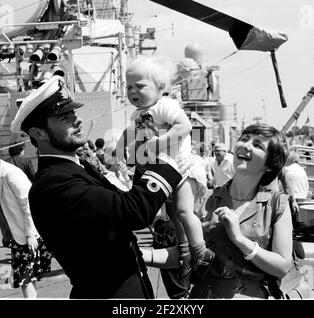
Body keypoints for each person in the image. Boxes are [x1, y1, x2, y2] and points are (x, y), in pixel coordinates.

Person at [10, 75, 187, 299]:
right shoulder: (54, 184)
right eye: (65, 117)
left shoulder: (76, 168)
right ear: (38, 133)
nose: (77, 120)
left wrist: (155, 256)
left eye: (74, 113)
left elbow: (105, 233)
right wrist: (169, 159)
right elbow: (133, 211)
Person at [142, 123, 294, 299]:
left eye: (258, 145)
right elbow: (185, 254)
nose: (245, 145)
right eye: (244, 139)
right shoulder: (206, 199)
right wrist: (141, 255)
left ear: (269, 165)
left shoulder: (277, 204)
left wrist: (239, 239)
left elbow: (282, 267)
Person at [116, 55, 211, 273]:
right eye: (128, 86)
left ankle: (201, 251)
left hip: (183, 169)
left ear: (160, 87)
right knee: (174, 214)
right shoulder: (138, 114)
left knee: (185, 211)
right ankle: (185, 252)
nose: (132, 91)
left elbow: (184, 126)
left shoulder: (164, 105)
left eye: (139, 86)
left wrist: (158, 143)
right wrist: (119, 152)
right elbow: (128, 133)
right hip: (166, 173)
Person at [0, 159, 51, 298]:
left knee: (24, 277)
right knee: (25, 276)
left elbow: (28, 204)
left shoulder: (11, 174)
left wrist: (30, 235)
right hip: (16, 233)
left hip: (28, 232)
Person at [281, 150, 309, 226]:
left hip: (292, 200)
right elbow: (307, 187)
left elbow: (284, 187)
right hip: (302, 199)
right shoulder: (302, 170)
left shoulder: (286, 169)